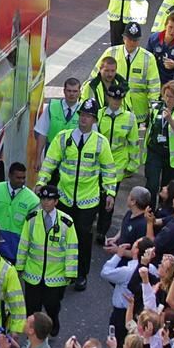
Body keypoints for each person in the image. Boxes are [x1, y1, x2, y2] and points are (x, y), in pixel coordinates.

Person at [36, 99, 116, 290]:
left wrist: (110, 192)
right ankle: (62, 271)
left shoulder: (100, 143)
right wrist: (41, 181)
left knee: (82, 237)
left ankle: (81, 274)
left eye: (88, 116)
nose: (83, 119)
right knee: (61, 235)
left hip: (87, 200)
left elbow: (108, 169)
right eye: (82, 115)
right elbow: (50, 161)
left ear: (94, 120)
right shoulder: (64, 138)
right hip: (64, 197)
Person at [16, 186, 78, 336]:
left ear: (56, 201)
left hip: (55, 275)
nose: (45, 202)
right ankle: (35, 333)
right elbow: (24, 243)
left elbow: (71, 248)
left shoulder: (66, 222)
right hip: (33, 272)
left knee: (52, 305)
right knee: (32, 306)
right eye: (43, 199)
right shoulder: (31, 219)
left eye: (49, 199)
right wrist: (20, 266)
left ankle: (53, 321)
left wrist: (70, 272)